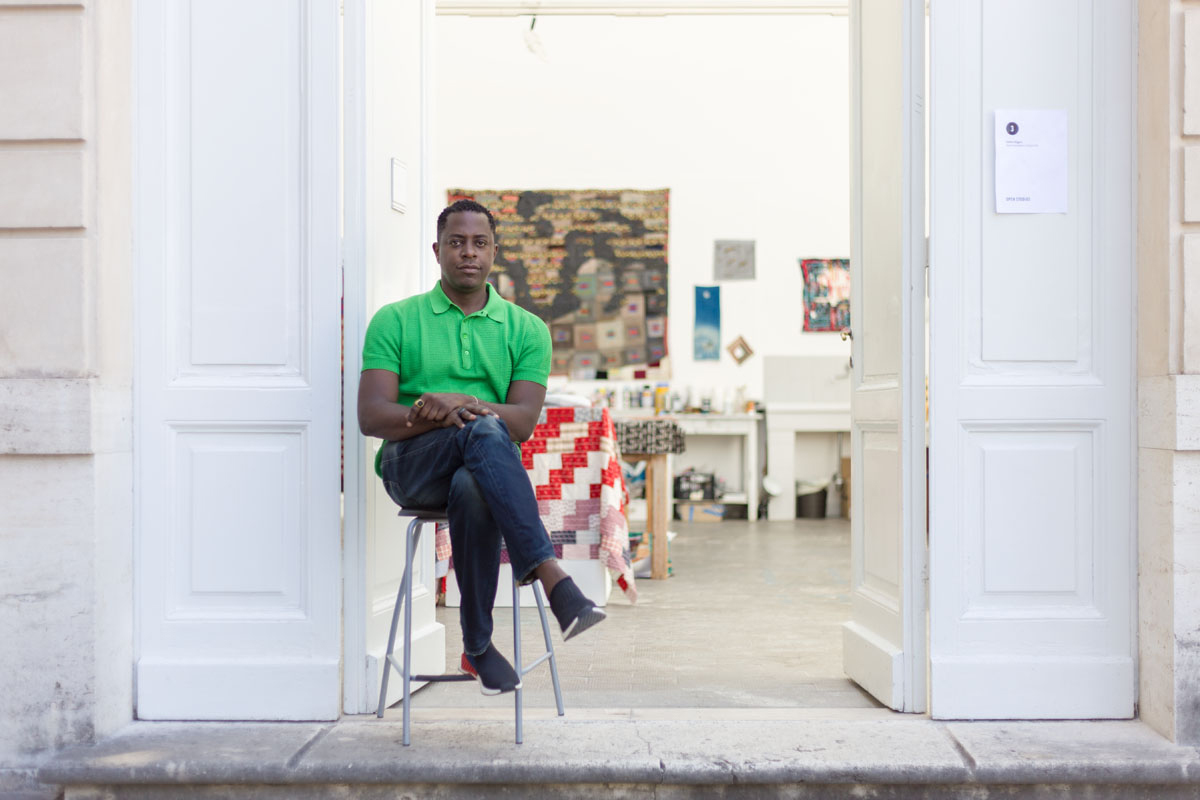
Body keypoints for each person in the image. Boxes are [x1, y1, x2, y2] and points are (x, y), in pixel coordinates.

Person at [358, 198, 606, 695]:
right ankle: (550, 574)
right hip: (412, 466)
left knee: (475, 480)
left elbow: (524, 422)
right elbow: (371, 417)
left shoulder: (527, 330)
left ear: (495, 251)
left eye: (478, 243)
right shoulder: (395, 320)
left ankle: (478, 650)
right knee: (484, 430)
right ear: (437, 250)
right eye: (456, 242)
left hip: (482, 471)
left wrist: (464, 402)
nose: (467, 252)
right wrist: (432, 412)